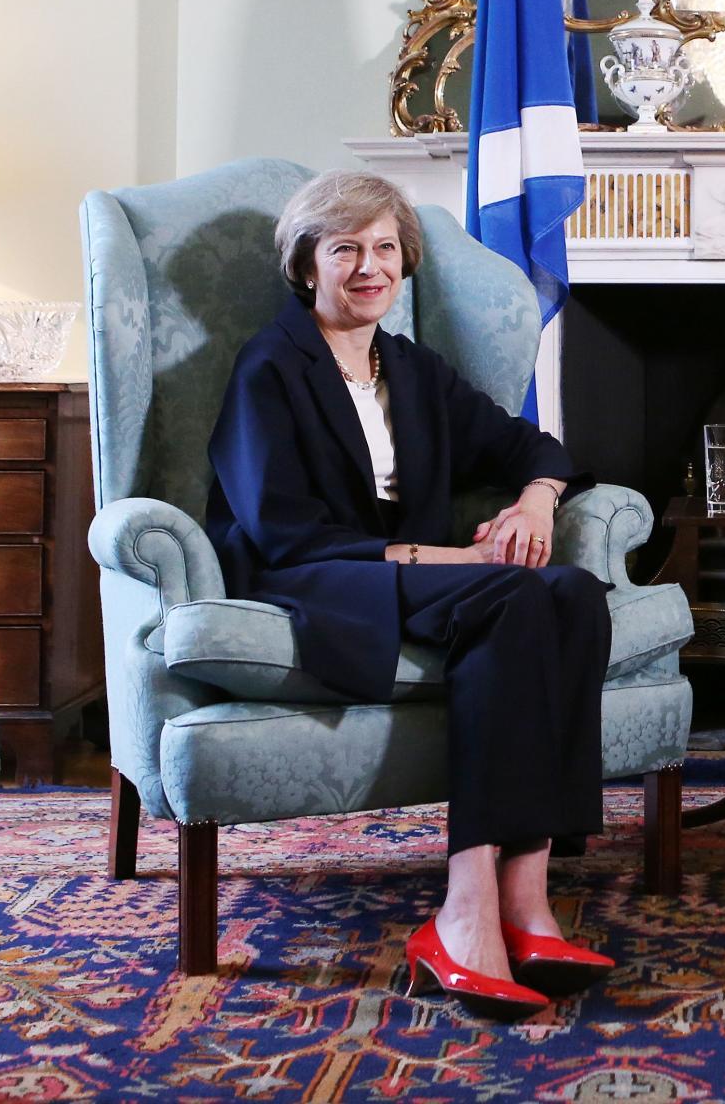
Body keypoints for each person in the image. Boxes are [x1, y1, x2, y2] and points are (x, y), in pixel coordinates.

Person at [206, 168, 615, 1019]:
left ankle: (527, 901)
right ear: (306, 265)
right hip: (318, 574)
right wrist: (439, 557)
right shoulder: (269, 367)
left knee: (570, 593)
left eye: (385, 248)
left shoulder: (413, 370)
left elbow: (529, 447)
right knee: (510, 595)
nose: (369, 267)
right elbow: (279, 528)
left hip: (416, 569)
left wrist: (535, 499)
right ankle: (464, 908)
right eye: (345, 248)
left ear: (405, 261)